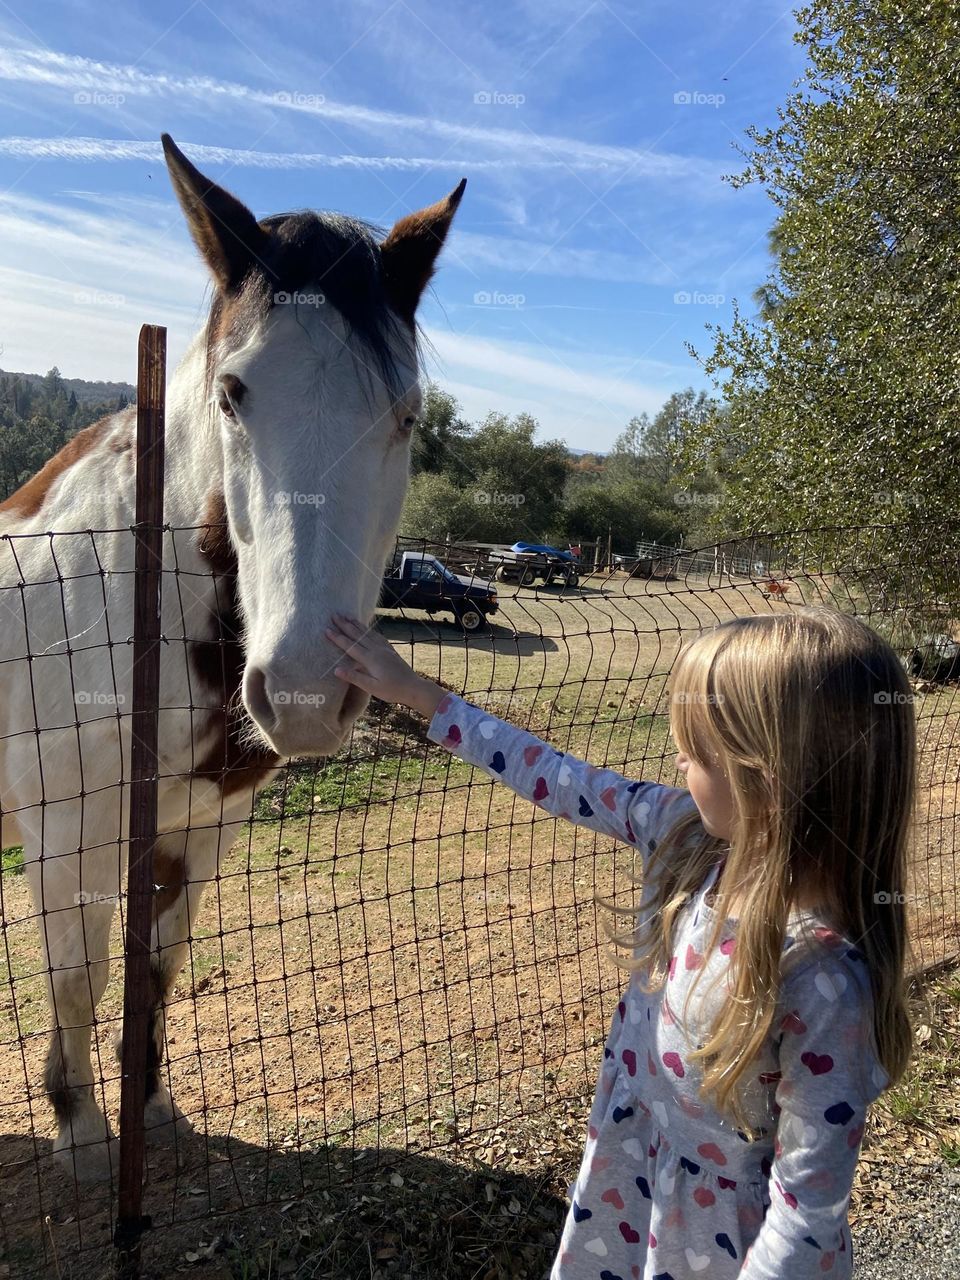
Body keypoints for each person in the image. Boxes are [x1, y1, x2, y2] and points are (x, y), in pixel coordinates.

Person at [325, 606, 917, 1279]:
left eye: (694, 751)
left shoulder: (825, 982)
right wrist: (425, 699)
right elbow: (559, 776)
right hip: (629, 1175)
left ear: (767, 779)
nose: (677, 761)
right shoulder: (685, 836)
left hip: (724, 1242)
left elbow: (807, 1211)